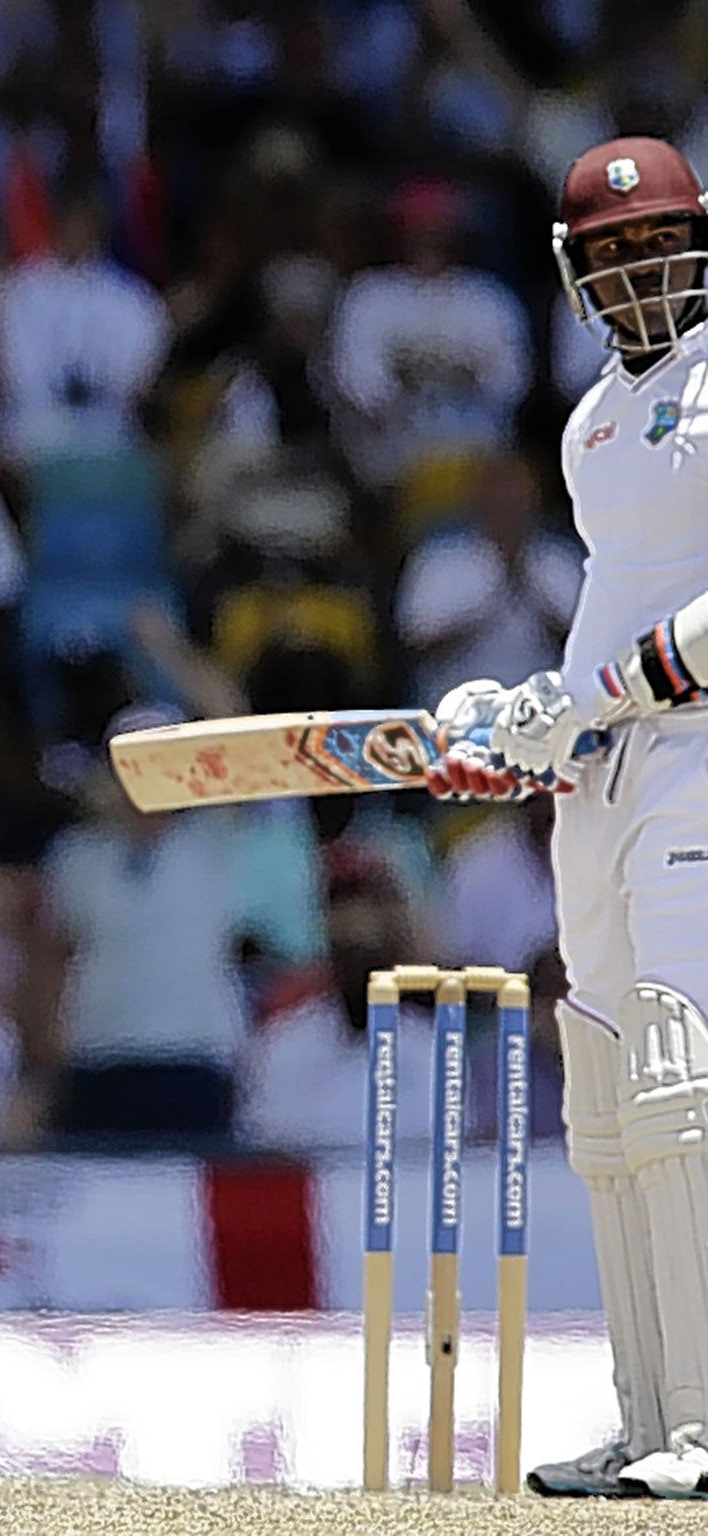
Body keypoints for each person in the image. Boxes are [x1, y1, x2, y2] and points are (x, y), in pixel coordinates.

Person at [426, 136, 708, 1499]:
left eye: (658, 245)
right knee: (604, 1097)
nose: (639, 273)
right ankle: (649, 1417)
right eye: (612, 256)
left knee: (684, 1073)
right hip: (601, 782)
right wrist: (528, 715)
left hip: (699, 756)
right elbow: (619, 594)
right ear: (574, 275)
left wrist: (599, 694)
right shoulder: (592, 419)